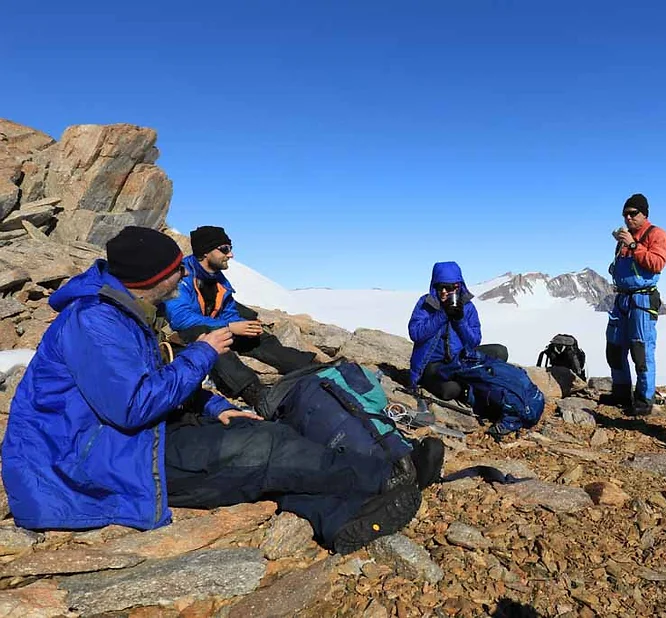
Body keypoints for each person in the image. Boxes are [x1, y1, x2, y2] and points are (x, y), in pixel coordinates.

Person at [1, 226, 420, 554]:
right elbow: (133, 406)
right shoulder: (96, 322)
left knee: (255, 452)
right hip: (85, 462)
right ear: (153, 279)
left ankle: (340, 519)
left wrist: (216, 405)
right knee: (264, 446)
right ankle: (387, 475)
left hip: (116, 439)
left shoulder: (124, 312)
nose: (184, 272)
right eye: (174, 271)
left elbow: (148, 382)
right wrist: (202, 352)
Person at [163, 226, 316, 408]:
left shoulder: (219, 280)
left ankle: (308, 366)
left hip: (214, 327)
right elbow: (180, 318)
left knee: (256, 335)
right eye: (224, 249)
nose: (231, 255)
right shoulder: (182, 276)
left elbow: (229, 312)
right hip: (183, 336)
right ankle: (254, 392)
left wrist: (243, 326)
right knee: (209, 338)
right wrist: (229, 327)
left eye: (230, 249)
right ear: (205, 252)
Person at [601, 193, 666, 416]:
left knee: (641, 349)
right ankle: (621, 392)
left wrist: (633, 246)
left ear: (644, 214)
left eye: (633, 214)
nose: (628, 218)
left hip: (642, 298)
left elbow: (657, 263)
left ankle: (643, 399)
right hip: (622, 297)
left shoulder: (656, 235)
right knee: (614, 346)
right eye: (625, 214)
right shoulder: (626, 237)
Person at [408, 261, 508, 402]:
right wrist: (442, 314)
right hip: (432, 366)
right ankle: (468, 381)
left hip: (459, 360)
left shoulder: (467, 307)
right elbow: (416, 334)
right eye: (439, 287)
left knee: (499, 352)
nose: (443, 292)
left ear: (457, 287)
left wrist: (460, 320)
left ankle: (467, 378)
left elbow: (474, 341)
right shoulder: (426, 303)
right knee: (451, 390)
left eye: (447, 288)